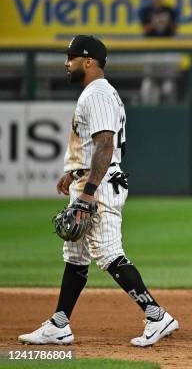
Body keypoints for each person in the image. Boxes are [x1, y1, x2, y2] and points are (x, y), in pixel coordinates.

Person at [18, 35, 179, 347]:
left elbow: (105, 144)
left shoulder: (98, 94)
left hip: (101, 185)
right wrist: (74, 172)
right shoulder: (95, 93)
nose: (67, 63)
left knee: (108, 254)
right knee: (75, 256)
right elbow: (94, 145)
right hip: (90, 181)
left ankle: (157, 316)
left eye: (72, 57)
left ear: (88, 61)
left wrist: (88, 192)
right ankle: (59, 324)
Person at [139, 0, 179, 104]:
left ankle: (169, 104)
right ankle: (147, 104)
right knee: (148, 79)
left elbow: (175, 29)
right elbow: (145, 29)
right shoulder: (146, 11)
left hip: (167, 47)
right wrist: (155, 22)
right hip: (151, 47)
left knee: (168, 81)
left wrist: (166, 22)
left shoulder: (169, 10)